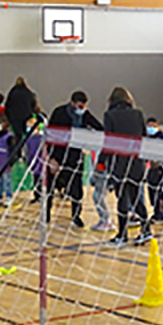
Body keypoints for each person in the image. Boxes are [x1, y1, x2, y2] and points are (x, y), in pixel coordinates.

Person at [103, 87, 152, 246]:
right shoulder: (138, 114)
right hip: (137, 162)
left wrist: (102, 164)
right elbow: (144, 137)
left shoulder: (110, 115)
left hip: (120, 163)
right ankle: (146, 231)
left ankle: (122, 235)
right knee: (137, 197)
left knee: (122, 198)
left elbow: (108, 142)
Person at [48, 91, 104, 227]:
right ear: (72, 103)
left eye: (84, 106)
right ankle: (46, 215)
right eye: (79, 106)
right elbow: (50, 135)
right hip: (58, 155)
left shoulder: (85, 115)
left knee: (76, 187)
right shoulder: (59, 113)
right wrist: (51, 158)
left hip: (75, 156)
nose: (81, 109)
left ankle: (76, 215)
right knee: (49, 187)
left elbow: (100, 127)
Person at [4, 77, 37, 152]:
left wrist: (9, 118)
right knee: (28, 135)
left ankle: (17, 153)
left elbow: (7, 106)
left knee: (18, 135)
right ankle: (28, 152)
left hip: (14, 118)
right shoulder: (28, 92)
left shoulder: (12, 93)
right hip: (27, 117)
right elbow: (34, 104)